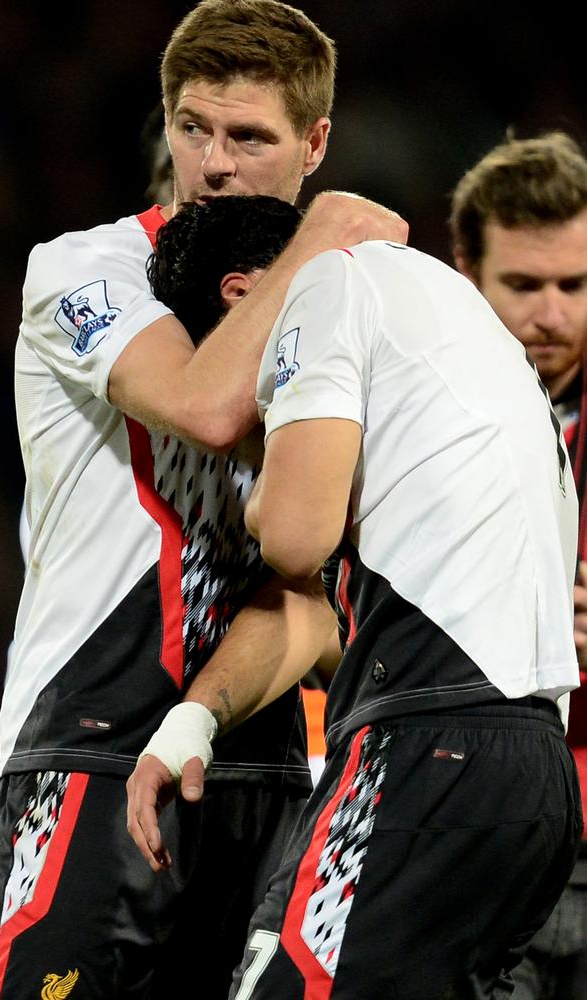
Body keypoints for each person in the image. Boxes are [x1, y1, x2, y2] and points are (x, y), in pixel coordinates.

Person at [0, 0, 408, 996]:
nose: (211, 164)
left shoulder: (342, 313)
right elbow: (201, 406)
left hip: (269, 772)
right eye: (191, 127)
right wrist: (326, 235)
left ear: (314, 143)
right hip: (87, 756)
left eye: (248, 137)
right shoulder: (86, 269)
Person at [127, 195, 582, 998]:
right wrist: (195, 718)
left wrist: (263, 497)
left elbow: (295, 539)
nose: (239, 427)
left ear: (240, 299)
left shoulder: (323, 289)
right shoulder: (456, 326)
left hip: (427, 747)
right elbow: (322, 603)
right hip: (533, 773)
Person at [451, 131, 587, 999]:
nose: (553, 316)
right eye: (524, 286)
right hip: (471, 833)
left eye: (576, 285)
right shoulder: (402, 423)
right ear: (465, 271)